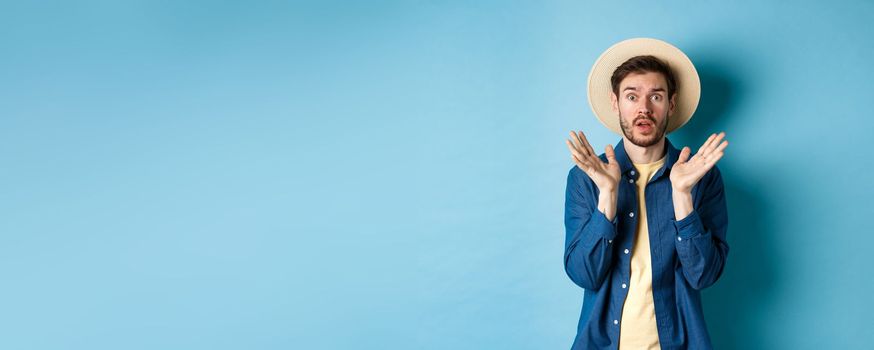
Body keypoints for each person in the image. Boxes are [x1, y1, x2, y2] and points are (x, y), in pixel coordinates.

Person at [563, 38, 729, 349]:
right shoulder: (585, 178)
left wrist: (682, 196)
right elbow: (584, 274)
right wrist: (608, 196)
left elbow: (703, 276)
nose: (644, 108)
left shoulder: (702, 177)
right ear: (616, 104)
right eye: (632, 96)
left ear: (672, 103)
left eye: (656, 96)